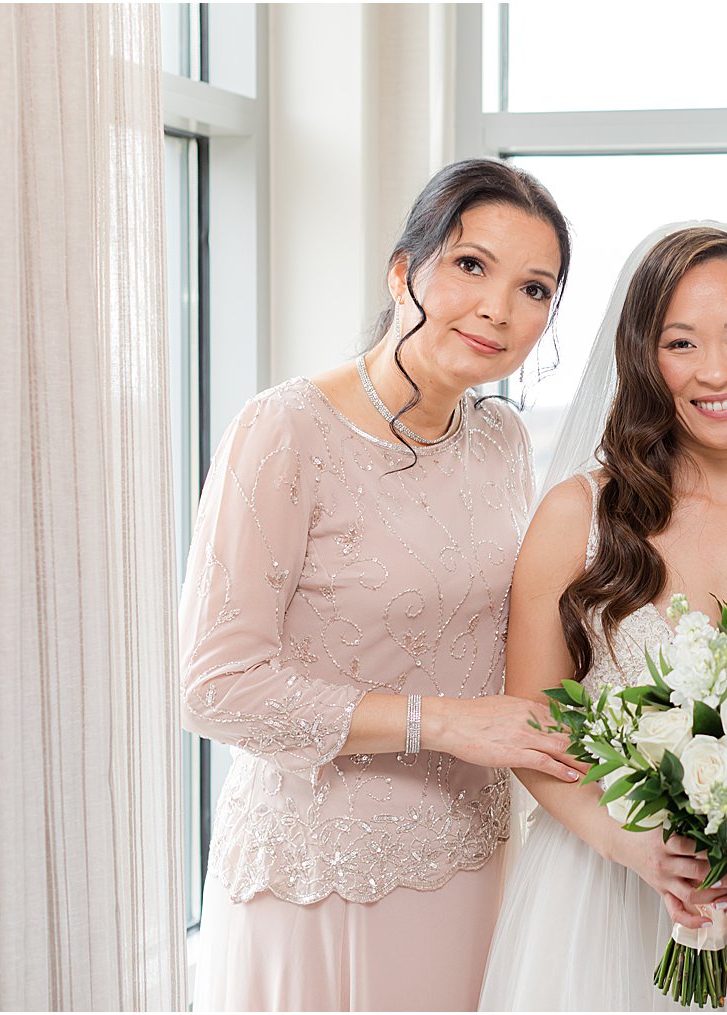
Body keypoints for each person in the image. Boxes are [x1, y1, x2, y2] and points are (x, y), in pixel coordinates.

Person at [180, 158, 586, 1011]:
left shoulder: (502, 438)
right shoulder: (286, 427)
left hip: (474, 863)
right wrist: (443, 722)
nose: (498, 309)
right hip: (322, 872)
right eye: (472, 266)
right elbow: (217, 689)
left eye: (534, 288)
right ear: (405, 271)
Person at [477, 224, 727, 1010]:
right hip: (597, 895)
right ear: (643, 358)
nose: (717, 370)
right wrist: (629, 842)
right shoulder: (578, 515)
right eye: (681, 343)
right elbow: (530, 729)